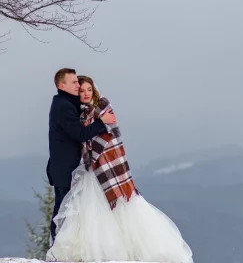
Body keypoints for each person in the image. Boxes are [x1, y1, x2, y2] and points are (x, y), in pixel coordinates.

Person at [46, 75, 193, 263]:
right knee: (87, 211)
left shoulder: (102, 109)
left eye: (88, 90)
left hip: (106, 168)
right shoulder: (78, 113)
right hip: (90, 170)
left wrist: (97, 146)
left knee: (116, 209)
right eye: (81, 90)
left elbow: (112, 138)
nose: (85, 93)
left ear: (94, 91)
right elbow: (82, 136)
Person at [46, 68, 117, 241]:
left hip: (67, 168)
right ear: (62, 85)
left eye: (78, 82)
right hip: (64, 170)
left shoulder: (68, 103)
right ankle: (57, 248)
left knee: (70, 209)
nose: (78, 86)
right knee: (63, 210)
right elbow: (80, 134)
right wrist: (102, 122)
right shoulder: (63, 107)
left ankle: (63, 246)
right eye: (74, 83)